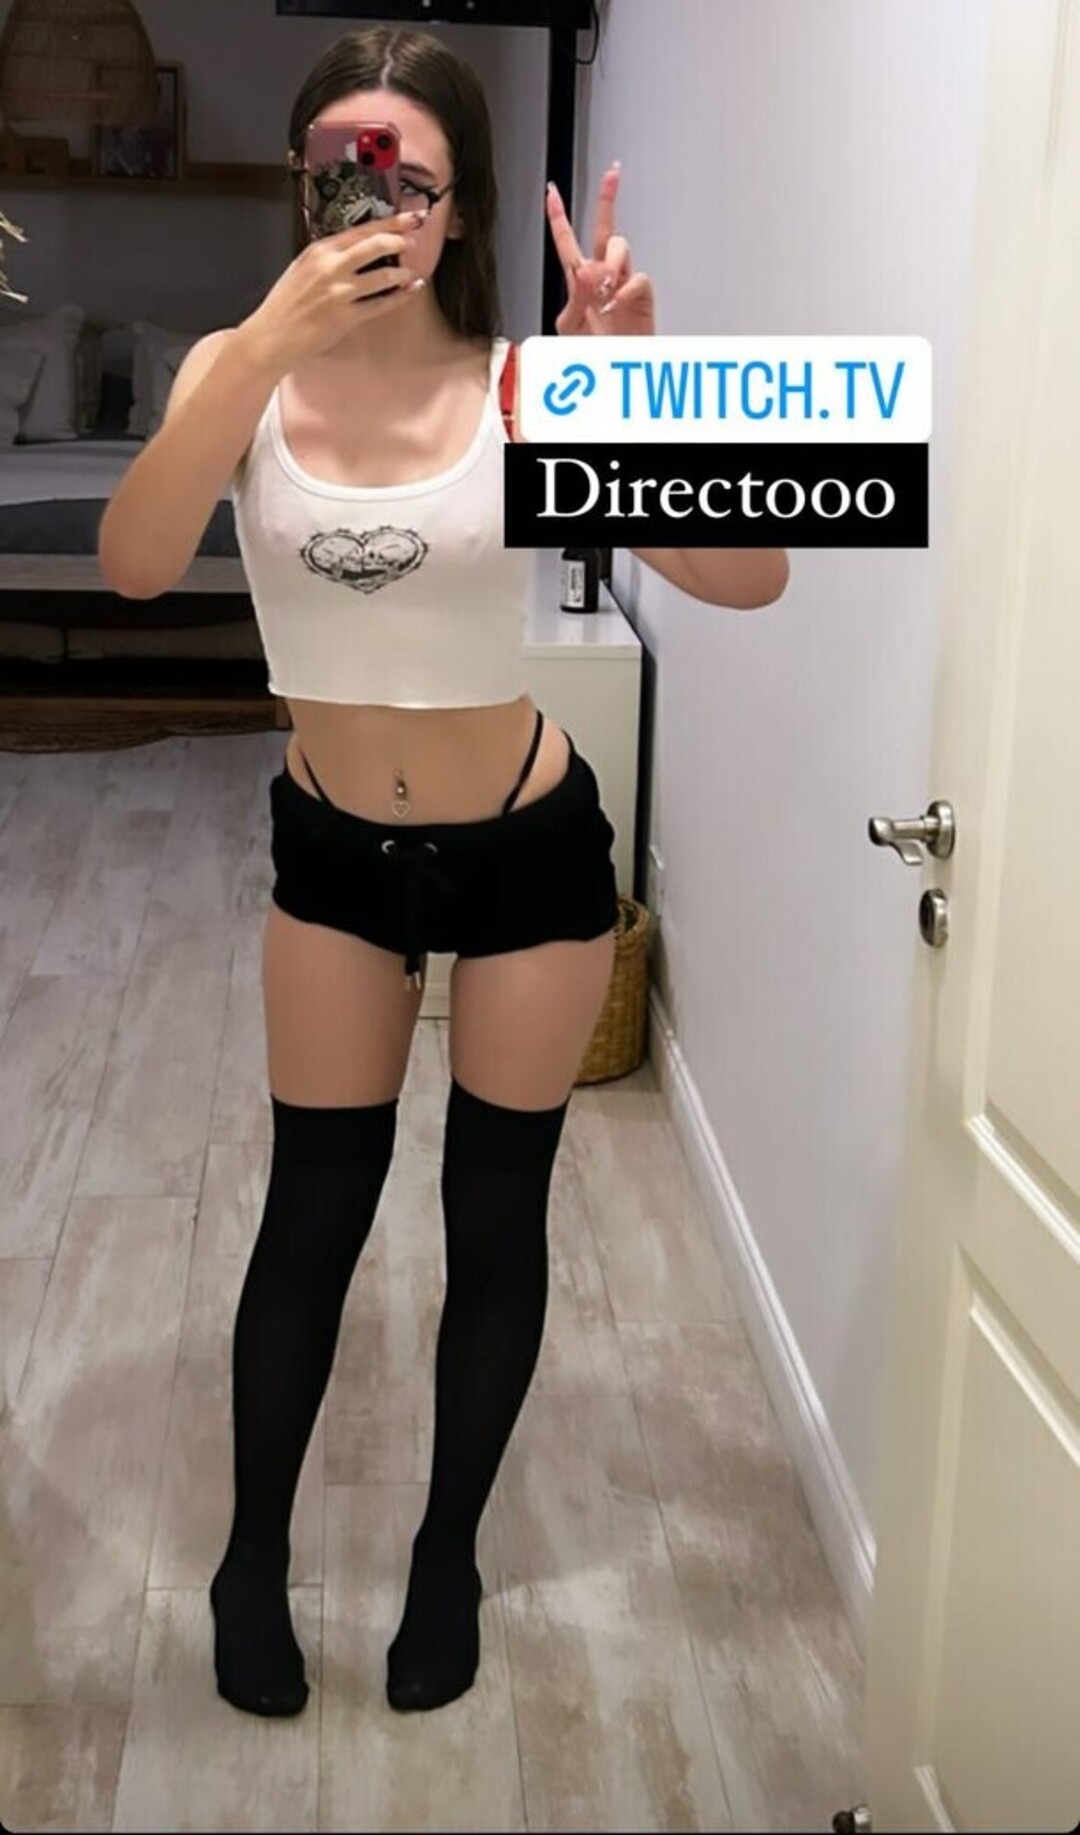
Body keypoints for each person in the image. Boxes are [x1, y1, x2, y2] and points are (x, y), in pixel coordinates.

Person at [98, 24, 629, 1720]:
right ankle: (249, 1557)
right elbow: (132, 567)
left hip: (528, 849)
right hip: (334, 848)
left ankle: (446, 1556)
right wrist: (261, 346)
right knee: (313, 1213)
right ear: (300, 181)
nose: (377, 204)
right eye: (345, 169)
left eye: (411, 176)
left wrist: (640, 381)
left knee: (495, 1214)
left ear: (462, 204)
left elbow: (751, 573)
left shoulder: (533, 380)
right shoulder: (235, 368)